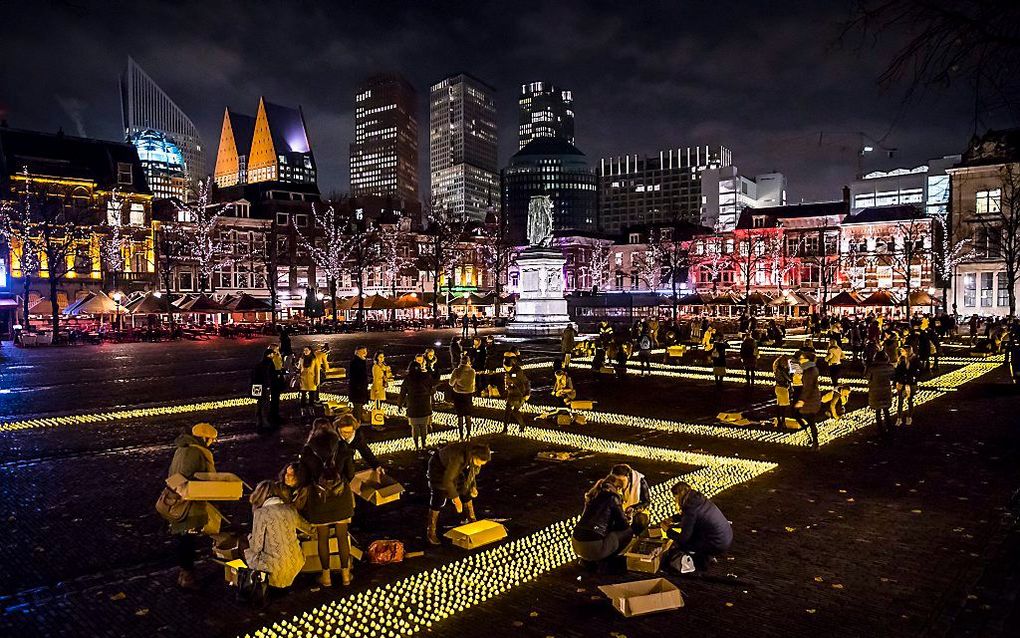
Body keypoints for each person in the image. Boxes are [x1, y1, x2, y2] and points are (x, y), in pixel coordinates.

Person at [299, 428, 356, 587]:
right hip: (340, 499)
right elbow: (351, 474)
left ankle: (326, 577)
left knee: (322, 539)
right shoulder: (342, 448)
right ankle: (345, 575)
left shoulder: (308, 451)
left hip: (319, 501)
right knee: (342, 537)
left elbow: (302, 479)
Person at [165, 422, 219, 589]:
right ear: (203, 438)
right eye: (211, 439)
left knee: (184, 540)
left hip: (178, 502)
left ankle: (184, 575)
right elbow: (192, 478)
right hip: (189, 504)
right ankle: (187, 577)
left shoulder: (181, 449)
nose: (212, 443)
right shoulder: (195, 452)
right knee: (187, 541)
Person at [244, 480, 313, 592]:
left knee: (245, 548)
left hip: (273, 567)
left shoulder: (261, 513)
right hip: (295, 562)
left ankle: (254, 585)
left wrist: (249, 538)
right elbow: (309, 529)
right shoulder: (290, 509)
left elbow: (256, 547)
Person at [426, 442, 491, 545]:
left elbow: (472, 473)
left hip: (454, 469)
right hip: (438, 467)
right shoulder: (459, 457)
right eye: (479, 463)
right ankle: (431, 530)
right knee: (439, 494)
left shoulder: (473, 455)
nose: (480, 465)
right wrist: (456, 500)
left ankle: (472, 519)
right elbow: (447, 480)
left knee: (465, 489)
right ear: (474, 456)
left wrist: (473, 486)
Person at [660, 481, 733, 571]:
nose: (675, 501)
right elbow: (690, 518)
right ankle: (706, 555)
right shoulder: (697, 500)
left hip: (717, 543)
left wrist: (668, 530)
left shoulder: (690, 509)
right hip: (725, 536)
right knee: (692, 534)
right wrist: (673, 519)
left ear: (679, 496)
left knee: (682, 543)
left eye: (675, 498)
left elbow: (684, 538)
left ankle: (701, 561)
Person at [570, 474, 633, 568]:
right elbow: (623, 525)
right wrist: (628, 517)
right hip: (594, 547)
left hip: (576, 544)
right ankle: (605, 561)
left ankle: (587, 560)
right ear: (618, 488)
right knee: (628, 532)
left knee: (607, 535)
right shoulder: (612, 497)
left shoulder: (593, 495)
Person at [398, 356, 434, 450]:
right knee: (423, 427)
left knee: (415, 428)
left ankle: (417, 446)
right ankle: (423, 444)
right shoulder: (426, 376)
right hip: (425, 405)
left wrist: (400, 404)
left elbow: (402, 392)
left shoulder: (408, 379)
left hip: (412, 406)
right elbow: (431, 389)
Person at [611, 464, 650, 534]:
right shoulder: (612, 483)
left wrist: (634, 508)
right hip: (621, 511)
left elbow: (646, 502)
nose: (618, 483)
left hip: (636, 513)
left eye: (621, 480)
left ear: (627, 477)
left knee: (640, 520)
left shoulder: (640, 482)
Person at [794, 349, 821, 449]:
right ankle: (813, 439)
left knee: (808, 419)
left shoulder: (809, 371)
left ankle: (814, 441)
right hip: (812, 398)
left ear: (807, 359)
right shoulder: (810, 369)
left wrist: (802, 400)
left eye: (801, 358)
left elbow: (808, 387)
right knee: (809, 419)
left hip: (810, 400)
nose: (799, 360)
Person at [867, 352, 895, 439]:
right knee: (886, 411)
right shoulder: (889, 367)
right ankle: (889, 428)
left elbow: (867, 376)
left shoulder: (872, 368)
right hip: (885, 391)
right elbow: (893, 376)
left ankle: (880, 429)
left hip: (875, 391)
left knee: (878, 411)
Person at [449, 354, 476, 439]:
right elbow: (473, 383)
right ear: (468, 362)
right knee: (468, 415)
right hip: (468, 395)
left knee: (460, 416)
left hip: (458, 395)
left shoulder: (456, 371)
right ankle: (468, 434)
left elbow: (451, 383)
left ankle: (461, 435)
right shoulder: (472, 371)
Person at [502, 358, 531, 433]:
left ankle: (522, 425)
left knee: (514, 411)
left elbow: (526, 382)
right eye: (505, 367)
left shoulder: (518, 372)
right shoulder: (507, 371)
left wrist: (527, 393)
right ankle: (505, 428)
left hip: (519, 394)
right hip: (511, 393)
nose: (506, 368)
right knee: (508, 411)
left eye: (508, 367)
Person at [251, 348, 276, 435]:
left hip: (257, 387)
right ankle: (265, 423)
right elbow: (270, 375)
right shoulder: (269, 363)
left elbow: (253, 376)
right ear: (269, 355)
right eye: (272, 354)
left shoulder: (259, 364)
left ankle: (258, 421)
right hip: (265, 387)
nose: (273, 356)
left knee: (259, 403)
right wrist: (269, 385)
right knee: (265, 404)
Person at [894, 345, 920, 426]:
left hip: (911, 383)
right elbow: (897, 371)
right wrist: (897, 382)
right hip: (901, 382)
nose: (901, 352)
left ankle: (909, 417)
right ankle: (899, 418)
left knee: (910, 400)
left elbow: (917, 371)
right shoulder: (901, 359)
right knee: (900, 401)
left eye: (903, 351)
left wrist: (911, 380)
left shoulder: (915, 359)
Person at [296, 346, 321, 419]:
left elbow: (317, 370)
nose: (305, 351)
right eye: (304, 350)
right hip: (303, 379)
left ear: (310, 351)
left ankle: (311, 408)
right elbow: (299, 368)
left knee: (311, 395)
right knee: (303, 395)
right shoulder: (302, 359)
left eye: (307, 350)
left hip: (311, 379)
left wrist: (317, 379)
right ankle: (303, 408)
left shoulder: (314, 359)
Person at [348, 346, 370, 425]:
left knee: (359, 408)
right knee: (357, 408)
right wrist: (359, 387)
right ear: (357, 352)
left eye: (366, 351)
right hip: (357, 390)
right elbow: (354, 377)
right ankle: (356, 424)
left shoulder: (361, 361)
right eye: (363, 351)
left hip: (360, 389)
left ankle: (357, 422)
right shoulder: (355, 362)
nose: (365, 353)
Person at [772, 354, 793, 429]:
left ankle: (779, 420)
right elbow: (789, 378)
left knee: (779, 404)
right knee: (783, 406)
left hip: (777, 387)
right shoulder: (782, 370)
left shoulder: (776, 369)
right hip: (783, 388)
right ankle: (782, 421)